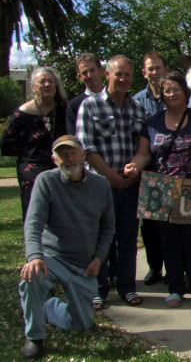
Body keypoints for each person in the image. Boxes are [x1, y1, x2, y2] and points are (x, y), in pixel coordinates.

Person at [19, 135, 114, 360]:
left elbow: (109, 227)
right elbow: (33, 222)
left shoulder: (101, 185)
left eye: (73, 153)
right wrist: (34, 256)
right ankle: (34, 337)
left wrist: (99, 258)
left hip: (84, 263)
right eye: (63, 155)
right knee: (31, 277)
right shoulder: (46, 181)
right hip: (52, 256)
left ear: (83, 156)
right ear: (55, 159)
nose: (69, 159)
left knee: (80, 324)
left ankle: (47, 305)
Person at [124, 72, 191, 308]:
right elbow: (144, 154)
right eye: (166, 91)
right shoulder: (152, 122)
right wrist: (135, 165)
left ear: (185, 92)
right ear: (162, 95)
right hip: (160, 188)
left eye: (175, 89)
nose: (171, 94)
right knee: (169, 241)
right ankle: (175, 287)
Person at [76, 55, 146, 309]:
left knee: (127, 238)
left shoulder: (138, 108)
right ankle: (98, 289)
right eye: (119, 74)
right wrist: (111, 176)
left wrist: (135, 167)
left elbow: (143, 146)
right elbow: (87, 148)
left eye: (128, 74)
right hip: (98, 187)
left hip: (129, 185)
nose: (124, 79)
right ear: (107, 75)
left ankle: (127, 287)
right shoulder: (90, 106)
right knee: (98, 239)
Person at [1, 67, 67, 222]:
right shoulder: (22, 114)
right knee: (36, 218)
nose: (47, 84)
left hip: (62, 170)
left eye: (50, 81)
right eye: (42, 81)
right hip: (32, 172)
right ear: (33, 87)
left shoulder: (65, 109)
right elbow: (6, 146)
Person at [132, 50, 171, 286]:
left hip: (175, 171)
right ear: (144, 73)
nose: (155, 72)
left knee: (175, 224)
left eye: (159, 67)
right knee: (150, 226)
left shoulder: (174, 94)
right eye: (151, 69)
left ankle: (177, 269)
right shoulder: (137, 101)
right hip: (150, 172)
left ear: (166, 70)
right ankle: (155, 267)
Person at [66, 53, 104, 135]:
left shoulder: (115, 98)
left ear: (101, 71)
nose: (89, 75)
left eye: (92, 70)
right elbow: (74, 138)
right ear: (79, 77)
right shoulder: (74, 106)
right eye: (84, 73)